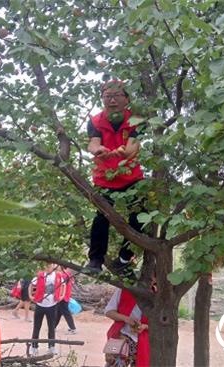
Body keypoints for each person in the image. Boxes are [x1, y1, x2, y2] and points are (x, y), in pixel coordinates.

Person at [86, 79, 145, 274]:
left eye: (117, 95)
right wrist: (98, 150)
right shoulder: (96, 120)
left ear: (126, 98)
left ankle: (125, 256)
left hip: (131, 176)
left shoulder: (135, 119)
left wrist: (124, 153)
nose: (112, 100)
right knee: (102, 217)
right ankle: (95, 259)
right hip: (105, 177)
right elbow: (93, 143)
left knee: (140, 214)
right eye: (107, 96)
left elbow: (133, 147)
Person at [104, 288, 149, 367]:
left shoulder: (156, 296)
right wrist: (125, 318)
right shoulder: (123, 290)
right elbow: (108, 311)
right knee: (113, 364)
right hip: (120, 335)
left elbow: (163, 324)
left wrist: (145, 327)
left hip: (144, 342)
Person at [28, 263, 64, 356]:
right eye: (46, 266)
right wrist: (30, 296)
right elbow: (31, 285)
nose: (48, 268)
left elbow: (63, 285)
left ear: (53, 266)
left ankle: (51, 347)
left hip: (52, 305)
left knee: (51, 327)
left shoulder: (58, 275)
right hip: (40, 304)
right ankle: (34, 347)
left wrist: (62, 295)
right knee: (37, 326)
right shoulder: (40, 275)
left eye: (50, 266)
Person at [55, 266, 77, 334]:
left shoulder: (63, 275)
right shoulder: (67, 274)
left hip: (63, 296)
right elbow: (72, 282)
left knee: (66, 312)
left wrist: (60, 296)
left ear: (61, 267)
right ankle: (53, 326)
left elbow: (61, 286)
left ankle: (73, 328)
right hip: (66, 295)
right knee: (58, 311)